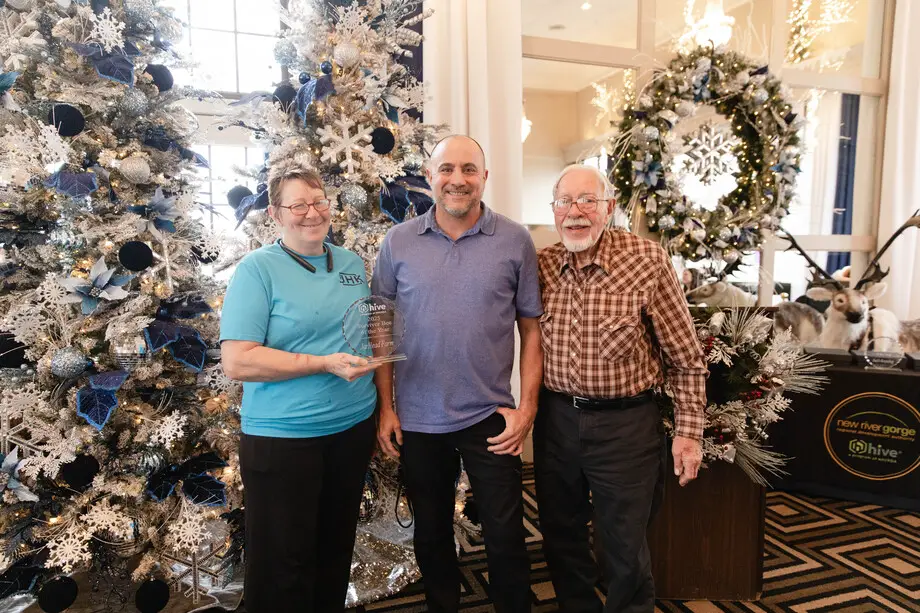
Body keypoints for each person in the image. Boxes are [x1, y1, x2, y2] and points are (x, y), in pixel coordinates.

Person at [373, 135, 543, 613]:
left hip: (490, 415)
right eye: (446, 169)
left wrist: (526, 409)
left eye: (469, 169)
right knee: (431, 532)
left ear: (484, 178)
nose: (457, 179)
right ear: (430, 176)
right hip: (418, 417)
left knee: (506, 534)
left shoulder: (515, 239)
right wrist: (386, 407)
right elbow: (380, 326)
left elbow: (531, 329)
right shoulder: (398, 241)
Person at [534, 165, 707, 613]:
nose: (575, 211)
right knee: (561, 535)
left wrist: (689, 434)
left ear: (609, 207)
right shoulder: (542, 264)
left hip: (626, 428)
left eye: (587, 200)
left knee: (623, 546)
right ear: (553, 210)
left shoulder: (647, 260)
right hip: (556, 422)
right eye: (564, 202)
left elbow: (686, 358)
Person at [219, 161, 379, 613]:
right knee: (282, 567)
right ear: (275, 214)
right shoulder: (257, 270)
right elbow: (238, 360)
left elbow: (363, 332)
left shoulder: (350, 263)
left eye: (319, 201)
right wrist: (322, 363)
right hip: (284, 440)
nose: (312, 212)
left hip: (351, 429)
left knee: (334, 552)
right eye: (298, 205)